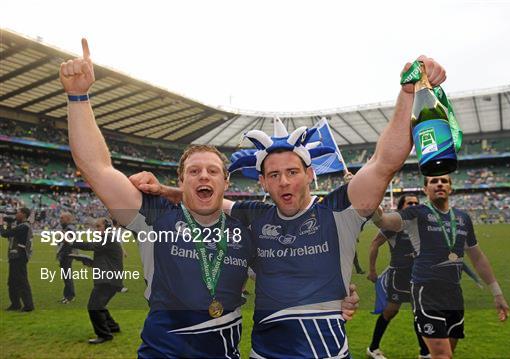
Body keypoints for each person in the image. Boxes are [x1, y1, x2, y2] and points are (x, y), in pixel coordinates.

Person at [130, 55, 448, 357]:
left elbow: (384, 163)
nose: (284, 182)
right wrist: (163, 189)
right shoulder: (253, 215)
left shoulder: (339, 211)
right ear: (263, 182)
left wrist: (408, 94)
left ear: (309, 173)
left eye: (292, 172)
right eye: (274, 175)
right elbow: (207, 199)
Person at [59, 40, 358, 358]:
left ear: (226, 182)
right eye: (194, 171)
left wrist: (338, 295)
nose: (203, 176)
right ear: (181, 180)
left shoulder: (247, 230)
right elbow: (97, 168)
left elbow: (294, 272)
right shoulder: (154, 217)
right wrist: (78, 96)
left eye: (213, 171)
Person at [371, 175, 510, 359]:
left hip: (453, 293)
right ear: (425, 189)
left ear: (451, 188)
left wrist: (497, 293)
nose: (439, 184)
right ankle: (376, 347)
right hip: (426, 291)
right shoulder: (416, 213)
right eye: (434, 181)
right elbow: (382, 221)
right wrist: (366, 193)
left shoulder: (463, 218)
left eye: (444, 181)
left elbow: (477, 257)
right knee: (442, 355)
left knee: (448, 353)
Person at [366, 193, 430, 359]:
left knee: (419, 313)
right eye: (410, 203)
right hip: (399, 276)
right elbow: (374, 244)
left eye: (416, 203)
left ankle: (424, 352)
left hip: (418, 276)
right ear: (401, 206)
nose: (414, 205)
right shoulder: (395, 225)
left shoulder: (421, 225)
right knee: (390, 312)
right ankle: (373, 348)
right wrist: (372, 270)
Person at [71, 217, 123, 344]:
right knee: (99, 305)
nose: (95, 230)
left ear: (107, 228)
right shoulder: (106, 239)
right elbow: (105, 260)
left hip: (107, 280)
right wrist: (89, 262)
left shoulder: (107, 238)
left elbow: (90, 246)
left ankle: (104, 335)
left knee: (93, 307)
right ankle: (113, 327)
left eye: (98, 227)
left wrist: (71, 241)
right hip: (110, 279)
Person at [0, 207, 34, 312]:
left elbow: (5, 234)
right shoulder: (22, 226)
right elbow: (10, 234)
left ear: (23, 214)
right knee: (12, 282)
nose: (16, 214)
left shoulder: (24, 226)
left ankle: (28, 305)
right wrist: (9, 223)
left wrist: (1, 224)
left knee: (21, 281)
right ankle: (15, 304)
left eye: (18, 212)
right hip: (15, 256)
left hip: (19, 257)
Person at [57, 211, 76, 303]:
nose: (60, 220)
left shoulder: (69, 228)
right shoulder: (66, 228)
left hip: (67, 254)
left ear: (67, 219)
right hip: (65, 254)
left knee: (67, 276)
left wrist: (62, 236)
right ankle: (66, 295)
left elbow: (69, 240)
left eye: (62, 218)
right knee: (65, 276)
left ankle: (70, 296)